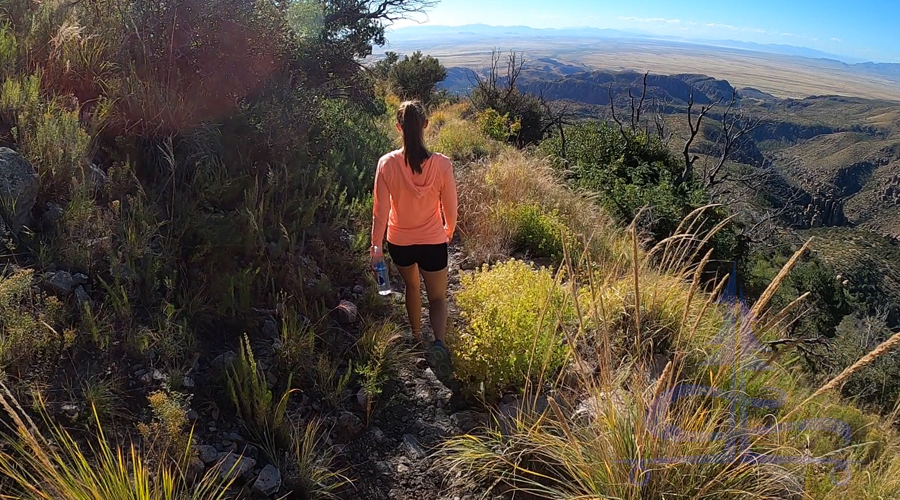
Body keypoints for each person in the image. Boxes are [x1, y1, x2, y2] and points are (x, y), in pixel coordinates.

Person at [371, 100, 457, 381]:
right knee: (437, 297)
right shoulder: (442, 164)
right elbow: (451, 209)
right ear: (425, 125)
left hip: (400, 242)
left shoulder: (386, 164)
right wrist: (448, 230)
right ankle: (439, 344)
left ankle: (417, 338)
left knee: (411, 286)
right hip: (433, 241)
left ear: (398, 127)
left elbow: (380, 211)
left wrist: (376, 248)